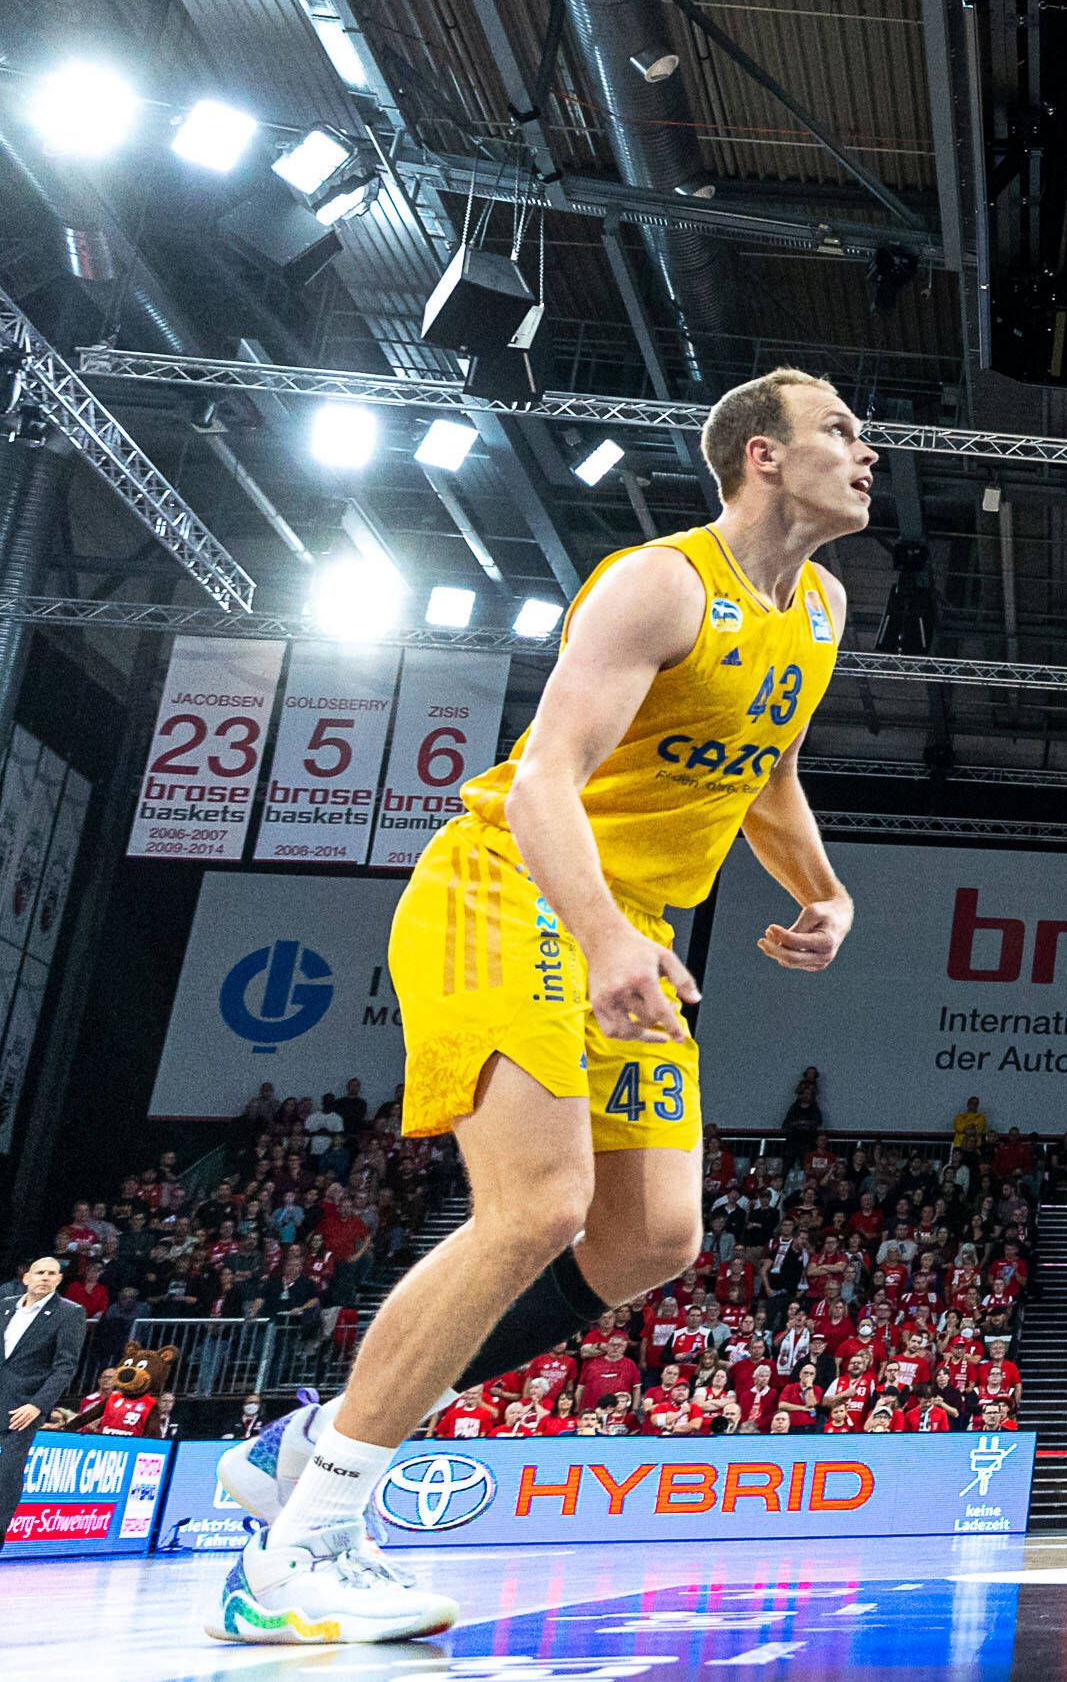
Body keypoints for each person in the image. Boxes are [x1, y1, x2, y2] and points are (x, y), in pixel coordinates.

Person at [207, 370, 877, 1644]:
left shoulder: (824, 607)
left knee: (649, 1239)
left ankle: (305, 1441)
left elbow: (763, 767)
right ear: (761, 458)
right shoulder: (661, 582)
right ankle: (299, 1549)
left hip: (624, 931)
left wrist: (826, 887)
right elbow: (540, 786)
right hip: (512, 890)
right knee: (541, 1205)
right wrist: (608, 929)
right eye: (838, 429)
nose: (865, 450)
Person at [1, 1255, 88, 1544]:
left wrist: (38, 1404)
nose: (46, 1277)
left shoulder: (69, 1313)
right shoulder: (4, 1306)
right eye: (40, 1272)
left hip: (24, 1406)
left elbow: (65, 1367)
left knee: (7, 1475)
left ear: (59, 1280)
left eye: (52, 1273)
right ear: (26, 1277)